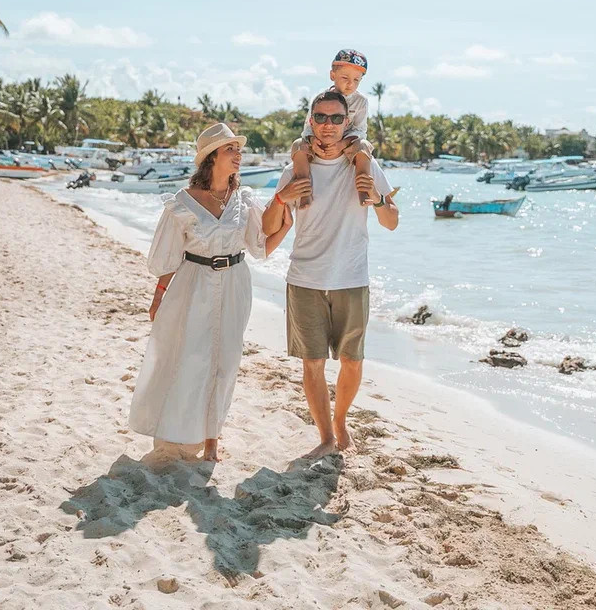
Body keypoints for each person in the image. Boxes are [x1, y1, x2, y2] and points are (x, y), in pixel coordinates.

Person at [128, 123, 292, 462]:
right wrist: (159, 295)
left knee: (226, 361)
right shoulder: (183, 203)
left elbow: (259, 248)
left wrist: (285, 229)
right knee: (190, 357)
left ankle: (212, 438)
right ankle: (178, 428)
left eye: (237, 149)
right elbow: (169, 256)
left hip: (235, 283)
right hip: (193, 282)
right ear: (211, 158)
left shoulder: (244, 199)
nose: (238, 155)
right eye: (230, 149)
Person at [262, 90, 400, 458]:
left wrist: (378, 198)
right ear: (311, 122)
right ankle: (325, 436)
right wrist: (281, 196)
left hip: (352, 277)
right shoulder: (295, 168)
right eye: (320, 118)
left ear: (347, 123)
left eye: (336, 119)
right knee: (313, 363)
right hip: (305, 278)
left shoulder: (365, 166)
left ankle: (341, 421)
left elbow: (391, 222)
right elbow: (269, 227)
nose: (327, 125)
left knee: (353, 361)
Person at [289, 49, 375, 209]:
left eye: (357, 80)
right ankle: (304, 193)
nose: (351, 84)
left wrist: (343, 144)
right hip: (321, 144)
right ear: (332, 75)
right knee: (298, 145)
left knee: (364, 146)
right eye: (345, 78)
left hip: (348, 146)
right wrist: (313, 142)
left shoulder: (361, 102)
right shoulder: (321, 99)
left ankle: (363, 191)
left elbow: (360, 131)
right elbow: (308, 128)